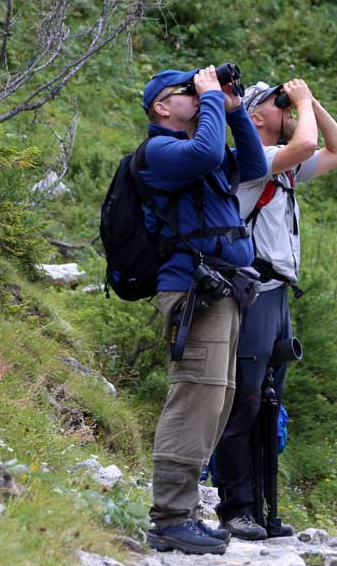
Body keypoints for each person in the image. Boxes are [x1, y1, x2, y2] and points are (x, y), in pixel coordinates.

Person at [213, 78, 337, 540]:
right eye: (275, 104)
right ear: (254, 118)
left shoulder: (286, 169)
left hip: (277, 297)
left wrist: (308, 101)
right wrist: (299, 105)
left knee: (267, 405)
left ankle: (262, 508)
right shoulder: (258, 163)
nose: (287, 108)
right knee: (244, 403)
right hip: (252, 295)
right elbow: (309, 142)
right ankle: (236, 508)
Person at [137, 65, 267, 556]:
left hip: (222, 291)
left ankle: (186, 511)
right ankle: (169, 517)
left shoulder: (198, 152)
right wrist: (211, 95)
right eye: (185, 93)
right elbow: (207, 151)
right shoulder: (162, 152)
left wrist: (234, 112)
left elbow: (253, 166)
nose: (197, 96)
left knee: (216, 401)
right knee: (194, 397)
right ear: (161, 107)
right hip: (193, 291)